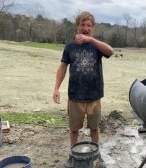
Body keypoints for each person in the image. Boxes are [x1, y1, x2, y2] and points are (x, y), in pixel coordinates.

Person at [53, 11, 113, 167]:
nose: (86, 28)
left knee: (94, 128)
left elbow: (111, 51)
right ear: (78, 26)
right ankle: (72, 156)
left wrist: (91, 40)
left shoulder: (96, 45)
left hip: (94, 96)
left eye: (89, 25)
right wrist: (56, 88)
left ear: (92, 28)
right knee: (74, 129)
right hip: (75, 96)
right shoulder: (70, 46)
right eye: (83, 25)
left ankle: (96, 156)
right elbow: (63, 67)